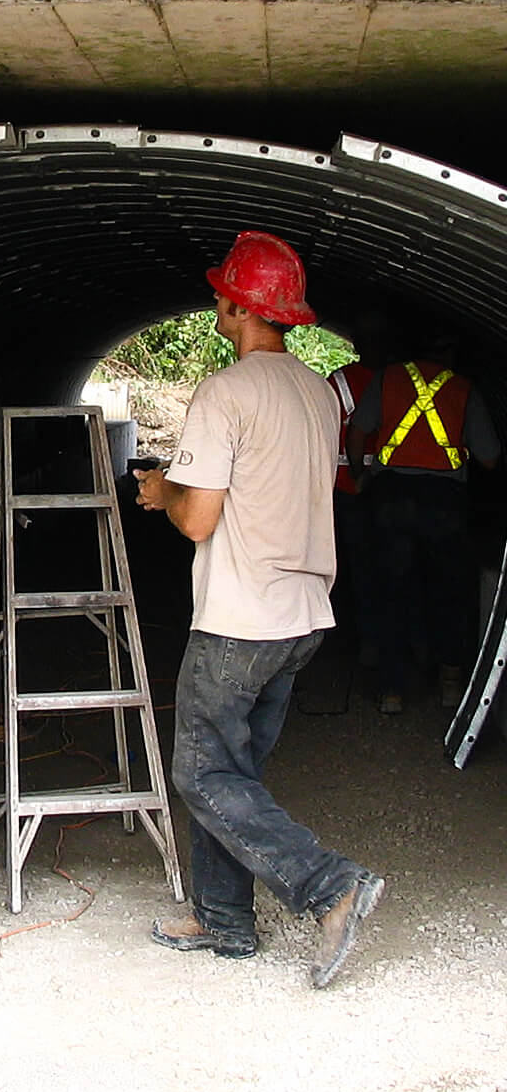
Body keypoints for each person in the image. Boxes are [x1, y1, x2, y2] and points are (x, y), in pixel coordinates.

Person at [135, 230, 384, 990]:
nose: (214, 300)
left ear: (240, 306)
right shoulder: (314, 390)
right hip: (304, 614)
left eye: (221, 292)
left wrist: (160, 491)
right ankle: (224, 920)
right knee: (234, 769)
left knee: (203, 772)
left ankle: (330, 885)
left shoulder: (225, 393)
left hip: (240, 618)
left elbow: (198, 519)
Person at [346, 332, 500, 714]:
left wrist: (359, 476)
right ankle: (450, 681)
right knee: (449, 590)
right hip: (444, 502)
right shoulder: (464, 389)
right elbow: (491, 459)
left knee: (391, 589)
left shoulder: (387, 379)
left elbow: (357, 431)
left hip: (390, 496)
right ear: (449, 352)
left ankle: (392, 690)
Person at [326, 312, 391, 666]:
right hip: (384, 488)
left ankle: (351, 637)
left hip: (345, 488)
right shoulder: (399, 382)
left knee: (350, 566)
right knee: (377, 566)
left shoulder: (340, 382)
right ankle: (374, 640)